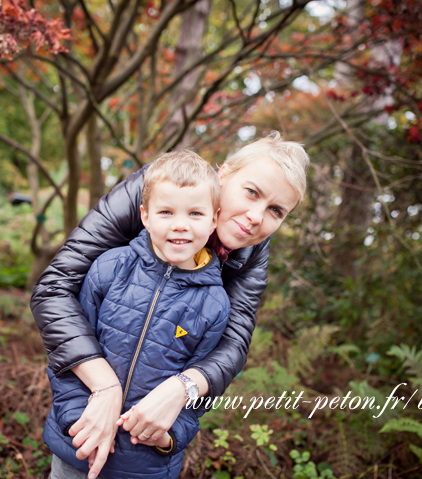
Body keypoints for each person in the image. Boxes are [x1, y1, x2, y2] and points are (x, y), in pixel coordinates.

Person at [31, 131, 310, 479]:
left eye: (275, 210)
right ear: (223, 176)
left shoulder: (250, 251)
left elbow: (233, 344)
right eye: (251, 192)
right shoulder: (153, 189)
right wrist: (103, 386)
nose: (256, 216)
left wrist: (183, 389)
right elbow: (55, 287)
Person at [43, 150, 230, 479]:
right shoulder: (110, 267)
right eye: (166, 211)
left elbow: (201, 391)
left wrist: (169, 437)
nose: (180, 225)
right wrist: (78, 421)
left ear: (214, 220)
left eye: (195, 213)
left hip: (146, 465)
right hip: (78, 448)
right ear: (144, 215)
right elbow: (68, 354)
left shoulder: (214, 304)